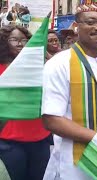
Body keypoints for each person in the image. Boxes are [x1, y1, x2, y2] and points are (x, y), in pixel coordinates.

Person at [41, 1, 97, 179]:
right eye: (90, 22)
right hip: (75, 163)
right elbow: (51, 119)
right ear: (76, 27)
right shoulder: (59, 64)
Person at [0, 25, 51, 180]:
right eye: (14, 39)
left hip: (40, 138)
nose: (20, 43)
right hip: (9, 140)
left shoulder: (40, 67)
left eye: (24, 40)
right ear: (3, 42)